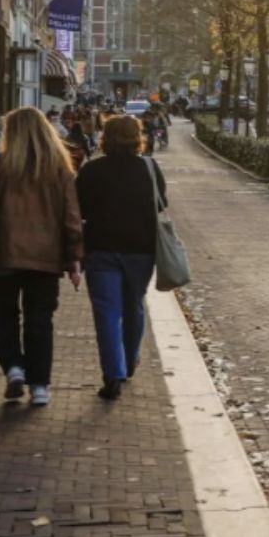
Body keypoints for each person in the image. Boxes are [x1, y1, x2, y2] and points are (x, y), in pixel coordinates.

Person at [0, 108, 82, 408]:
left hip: (1, 256)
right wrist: (74, 260)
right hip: (45, 258)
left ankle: (14, 368)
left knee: (2, 315)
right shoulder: (59, 169)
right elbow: (71, 220)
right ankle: (40, 385)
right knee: (40, 320)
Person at [75, 116, 162, 400]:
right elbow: (162, 202)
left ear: (105, 137)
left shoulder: (92, 170)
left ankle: (113, 373)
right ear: (138, 137)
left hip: (101, 248)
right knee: (134, 304)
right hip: (141, 249)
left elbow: (79, 209)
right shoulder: (149, 167)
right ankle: (130, 358)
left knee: (107, 313)